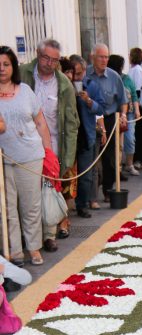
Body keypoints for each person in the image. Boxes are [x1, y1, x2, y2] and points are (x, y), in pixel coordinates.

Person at [19, 38, 79, 250]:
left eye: (54, 60)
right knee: (28, 193)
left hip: (52, 147)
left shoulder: (64, 84)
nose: (49, 63)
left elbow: (71, 123)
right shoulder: (22, 74)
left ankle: (48, 235)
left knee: (49, 191)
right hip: (24, 145)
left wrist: (68, 157)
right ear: (38, 54)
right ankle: (30, 237)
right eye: (46, 58)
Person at [0, 46, 51, 266]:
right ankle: (14, 251)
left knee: (31, 205)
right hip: (3, 160)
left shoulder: (25, 91)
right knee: (6, 207)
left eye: (6, 64)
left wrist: (48, 152)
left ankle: (34, 248)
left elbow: (40, 122)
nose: (2, 69)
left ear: (13, 66)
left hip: (30, 156)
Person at [85, 44, 127, 202]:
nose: (104, 60)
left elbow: (123, 100)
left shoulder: (114, 77)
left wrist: (123, 115)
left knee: (110, 158)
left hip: (109, 119)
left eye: (106, 57)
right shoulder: (86, 74)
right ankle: (91, 194)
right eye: (101, 57)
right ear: (93, 57)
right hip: (89, 119)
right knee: (91, 157)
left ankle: (108, 189)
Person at [69, 55, 104, 218]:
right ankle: (65, 206)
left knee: (85, 175)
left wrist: (88, 101)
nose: (75, 77)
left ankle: (82, 204)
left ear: (84, 71)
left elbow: (101, 108)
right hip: (68, 136)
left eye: (78, 73)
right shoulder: (64, 85)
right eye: (72, 73)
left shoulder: (92, 85)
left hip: (86, 134)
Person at [108, 54, 140, 176]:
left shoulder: (127, 79)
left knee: (130, 139)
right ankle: (118, 167)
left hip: (129, 113)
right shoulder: (109, 78)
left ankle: (129, 164)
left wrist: (137, 110)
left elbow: (134, 95)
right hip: (113, 113)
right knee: (117, 143)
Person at [128, 47, 142, 169]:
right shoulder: (133, 69)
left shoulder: (137, 70)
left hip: (137, 104)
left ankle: (138, 158)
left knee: (138, 133)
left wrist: (136, 107)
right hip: (134, 103)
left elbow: (138, 89)